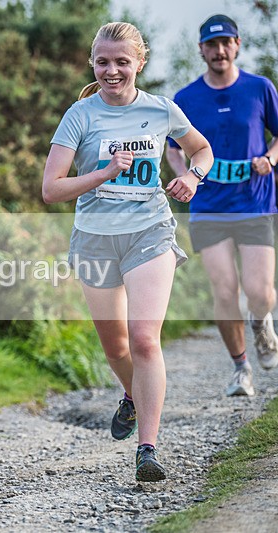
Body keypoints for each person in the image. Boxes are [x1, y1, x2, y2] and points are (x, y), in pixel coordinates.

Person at [42, 22, 213, 482]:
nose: (112, 70)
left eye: (122, 61)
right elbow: (51, 189)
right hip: (95, 237)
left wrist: (193, 176)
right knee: (116, 346)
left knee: (143, 339)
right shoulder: (80, 115)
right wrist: (103, 172)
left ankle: (147, 450)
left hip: (149, 232)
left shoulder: (161, 110)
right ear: (92, 64)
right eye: (102, 62)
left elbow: (201, 150)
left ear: (140, 63)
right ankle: (132, 395)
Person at [166, 14, 278, 398]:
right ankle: (241, 368)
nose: (219, 50)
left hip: (254, 202)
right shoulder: (186, 98)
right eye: (211, 45)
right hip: (209, 206)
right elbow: (173, 149)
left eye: (225, 42)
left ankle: (262, 324)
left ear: (237, 45)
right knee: (225, 289)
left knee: (260, 292)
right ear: (201, 50)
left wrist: (270, 159)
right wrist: (186, 177)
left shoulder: (259, 88)